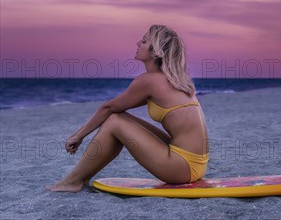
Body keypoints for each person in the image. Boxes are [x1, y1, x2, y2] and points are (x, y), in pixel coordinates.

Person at [45, 25, 209, 192]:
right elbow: (116, 108)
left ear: (156, 51)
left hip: (181, 167)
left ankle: (73, 181)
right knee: (118, 118)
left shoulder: (150, 81)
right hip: (195, 164)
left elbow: (108, 107)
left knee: (114, 121)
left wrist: (78, 136)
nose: (138, 43)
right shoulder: (172, 81)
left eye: (144, 41)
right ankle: (79, 179)